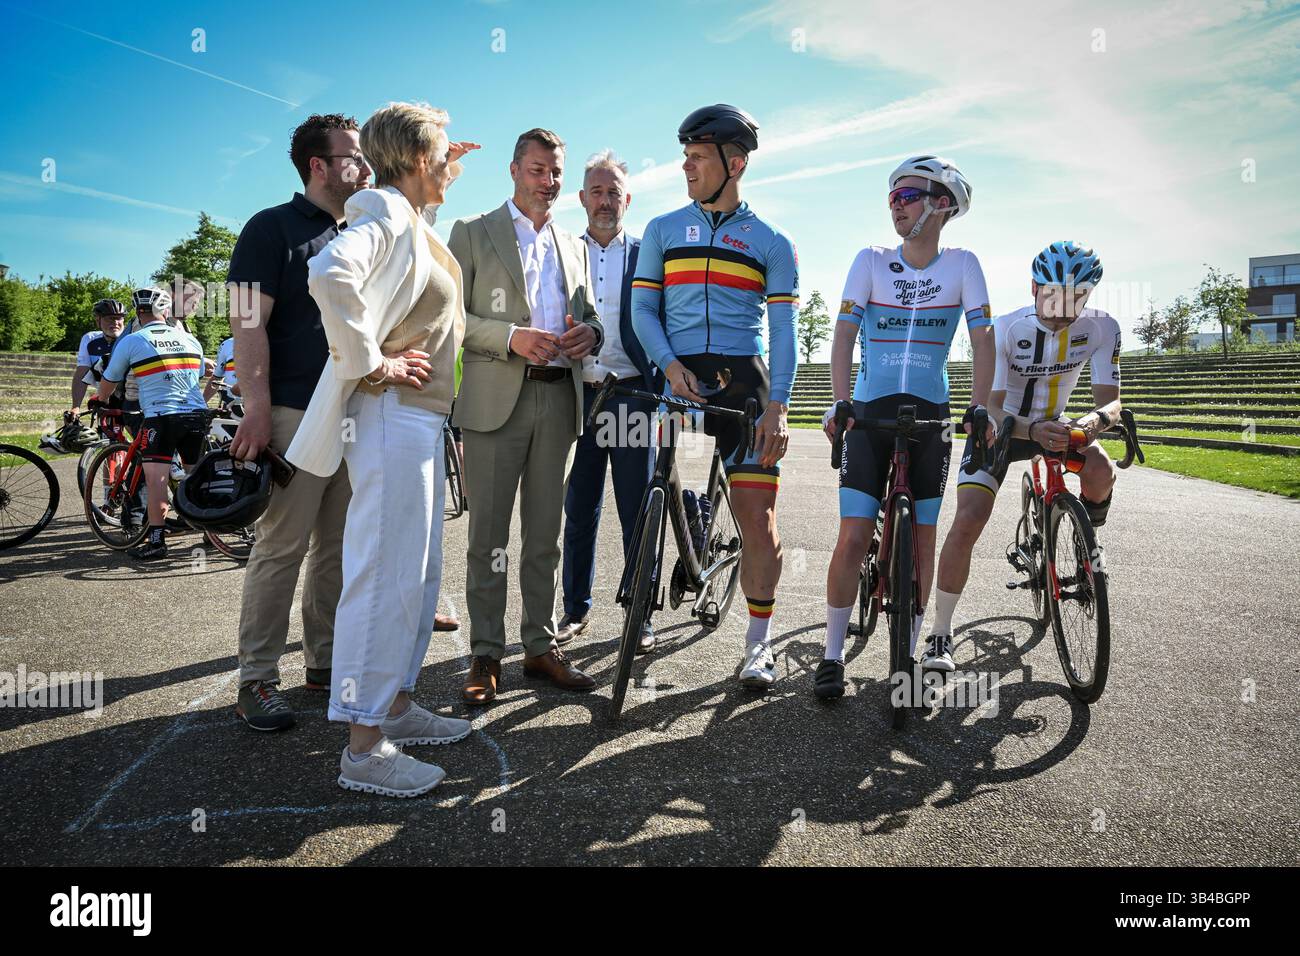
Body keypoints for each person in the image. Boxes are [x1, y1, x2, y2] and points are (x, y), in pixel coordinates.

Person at [288, 101, 478, 798]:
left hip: (419, 420)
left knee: (417, 577)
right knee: (383, 575)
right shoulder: (383, 212)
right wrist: (371, 361)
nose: (453, 171)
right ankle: (364, 749)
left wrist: (439, 169)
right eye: (444, 157)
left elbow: (413, 250)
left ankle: (395, 702)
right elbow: (330, 275)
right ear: (419, 160)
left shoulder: (411, 218)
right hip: (389, 413)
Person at [814, 155, 995, 699]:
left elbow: (983, 341)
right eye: (891, 197)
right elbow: (843, 336)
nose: (895, 204)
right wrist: (841, 402)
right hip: (870, 412)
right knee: (852, 535)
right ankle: (831, 655)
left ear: (942, 203)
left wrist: (979, 406)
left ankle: (912, 651)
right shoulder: (869, 260)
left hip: (931, 417)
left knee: (922, 537)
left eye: (907, 195)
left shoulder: (963, 264)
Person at [631, 104, 799, 689]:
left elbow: (783, 332)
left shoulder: (772, 243)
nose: (686, 166)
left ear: (736, 164)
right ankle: (655, 590)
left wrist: (778, 407)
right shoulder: (661, 229)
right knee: (663, 491)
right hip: (678, 378)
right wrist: (669, 365)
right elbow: (643, 310)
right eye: (685, 156)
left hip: (744, 384)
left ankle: (758, 644)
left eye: (697, 157)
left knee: (759, 518)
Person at [448, 128, 604, 705]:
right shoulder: (470, 231)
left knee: (545, 535)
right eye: (539, 170)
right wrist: (510, 337)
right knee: (488, 536)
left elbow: (588, 317)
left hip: (557, 400)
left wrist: (592, 331)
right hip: (494, 403)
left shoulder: (575, 243)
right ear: (514, 171)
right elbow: (451, 319)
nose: (550, 182)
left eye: (556, 172)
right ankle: (485, 653)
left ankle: (539, 647)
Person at [224, 113, 369, 732]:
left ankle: (325, 663)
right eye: (352, 157)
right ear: (319, 165)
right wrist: (255, 407)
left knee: (337, 546)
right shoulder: (269, 228)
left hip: (352, 411)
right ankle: (257, 679)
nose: (363, 168)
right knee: (282, 547)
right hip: (291, 412)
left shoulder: (361, 229)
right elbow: (243, 322)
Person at [929, 242, 1120, 669]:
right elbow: (990, 407)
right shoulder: (1005, 328)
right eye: (1053, 295)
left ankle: (1084, 542)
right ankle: (940, 633)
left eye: (1077, 298)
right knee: (969, 518)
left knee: (1102, 470)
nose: (1063, 308)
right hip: (1005, 427)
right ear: (1034, 287)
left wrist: (1091, 424)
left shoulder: (1104, 328)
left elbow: (1112, 402)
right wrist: (1031, 429)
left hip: (1060, 423)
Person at [556, 150, 662, 654]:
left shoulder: (648, 254)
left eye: (613, 192)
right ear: (581, 199)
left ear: (627, 199)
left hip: (632, 395)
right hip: (576, 396)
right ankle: (574, 609)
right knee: (579, 506)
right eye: (596, 192)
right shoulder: (563, 252)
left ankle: (640, 613)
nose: (604, 201)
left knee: (637, 508)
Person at [94, 295, 208, 560]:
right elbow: (198, 374)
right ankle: (209, 530)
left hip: (161, 415)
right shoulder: (190, 339)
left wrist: (98, 399)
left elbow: (110, 381)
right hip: (196, 414)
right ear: (166, 310)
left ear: (137, 311)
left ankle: (157, 541)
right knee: (194, 477)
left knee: (156, 480)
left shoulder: (133, 340)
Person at [69, 299, 127, 417]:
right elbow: (82, 373)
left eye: (119, 318)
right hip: (104, 395)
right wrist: (76, 407)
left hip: (131, 395)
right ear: (98, 321)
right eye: (110, 318)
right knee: (105, 429)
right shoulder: (90, 339)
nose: (115, 322)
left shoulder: (131, 339)